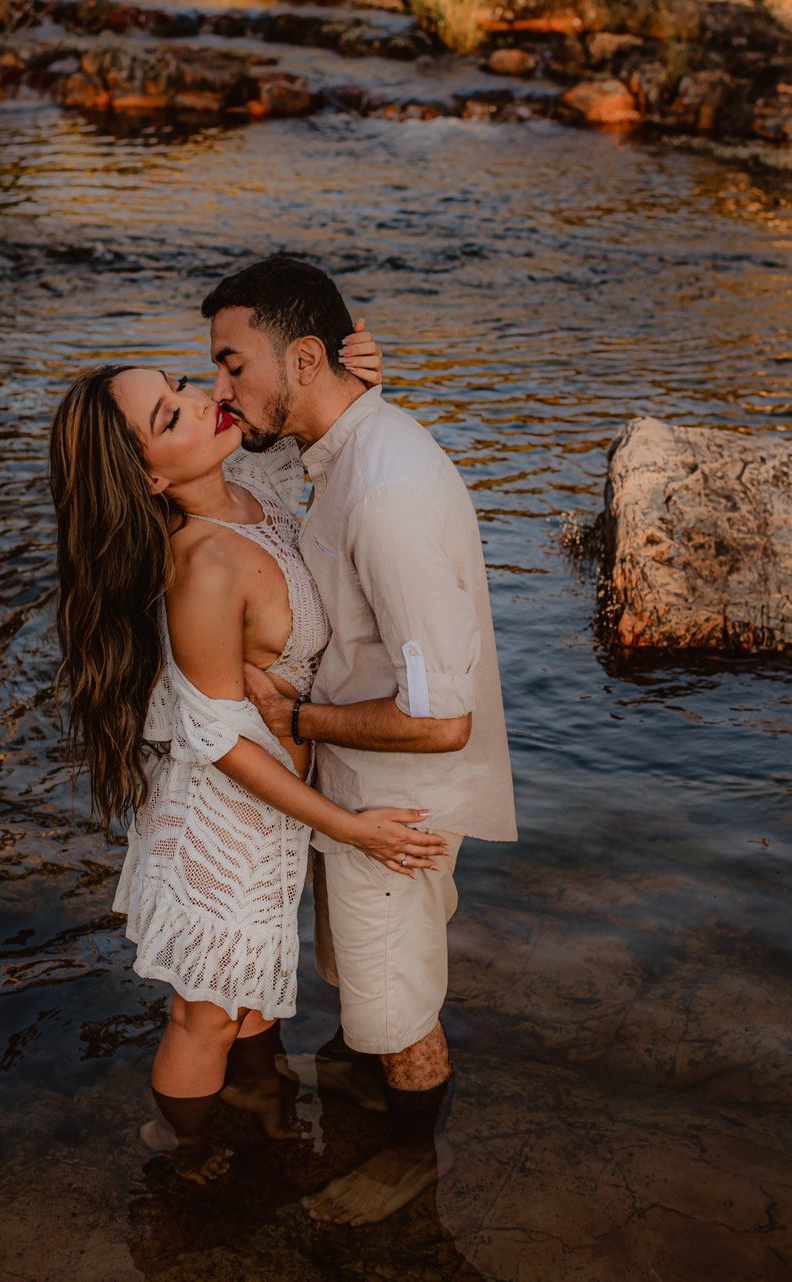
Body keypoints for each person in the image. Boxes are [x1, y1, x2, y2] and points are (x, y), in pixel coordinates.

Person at [47, 327, 449, 1184]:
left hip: (272, 819)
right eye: (171, 414)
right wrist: (352, 827)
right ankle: (185, 1162)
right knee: (206, 1015)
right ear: (151, 478)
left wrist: (353, 380)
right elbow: (222, 742)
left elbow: (309, 429)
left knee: (253, 992)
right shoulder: (202, 567)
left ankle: (260, 1124)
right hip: (220, 824)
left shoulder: (251, 485)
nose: (201, 399)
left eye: (186, 384)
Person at [202, 255, 517, 1225]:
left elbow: (442, 718)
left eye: (229, 366)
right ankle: (376, 1097)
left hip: (395, 801)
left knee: (401, 1010)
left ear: (301, 360)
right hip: (358, 789)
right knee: (366, 985)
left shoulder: (385, 493)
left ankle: (413, 1164)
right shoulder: (345, 443)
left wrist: (297, 719)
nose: (220, 392)